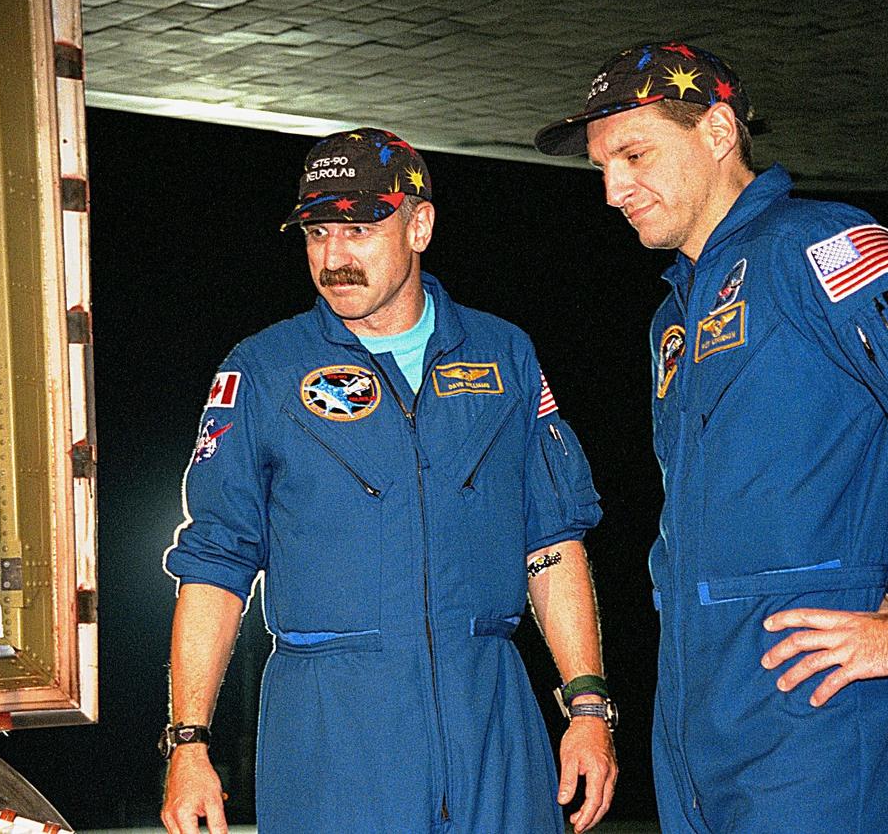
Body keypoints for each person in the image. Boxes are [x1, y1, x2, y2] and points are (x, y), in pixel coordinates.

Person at [534, 42, 888, 832]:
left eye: (635, 154)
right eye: (603, 166)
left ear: (716, 131)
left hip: (809, 711)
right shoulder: (673, 319)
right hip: (694, 716)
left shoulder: (814, 248)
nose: (613, 189)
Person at [159, 128, 618, 834]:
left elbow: (551, 543)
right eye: (316, 233)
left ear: (420, 223)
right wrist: (188, 742)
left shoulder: (503, 355)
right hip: (331, 736)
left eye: (358, 228)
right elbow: (216, 565)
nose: (333, 257)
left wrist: (586, 706)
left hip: (492, 718)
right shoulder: (262, 370)